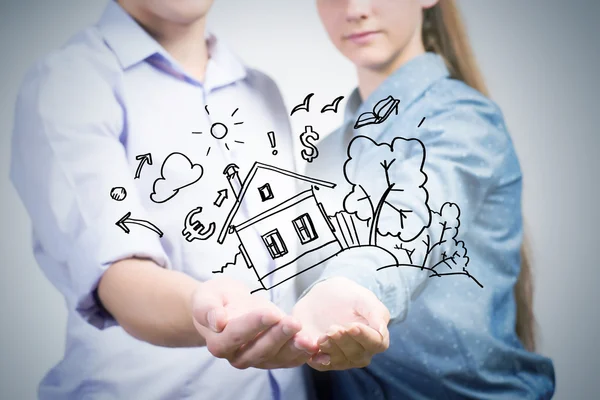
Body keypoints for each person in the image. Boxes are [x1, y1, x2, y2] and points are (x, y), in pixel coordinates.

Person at [10, 0, 392, 398]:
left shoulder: (259, 90)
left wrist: (347, 291)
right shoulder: (69, 83)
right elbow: (118, 277)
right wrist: (205, 308)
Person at [297, 0, 556, 398]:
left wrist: (350, 288)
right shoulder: (326, 155)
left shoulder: (463, 120)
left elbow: (414, 222)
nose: (355, 9)